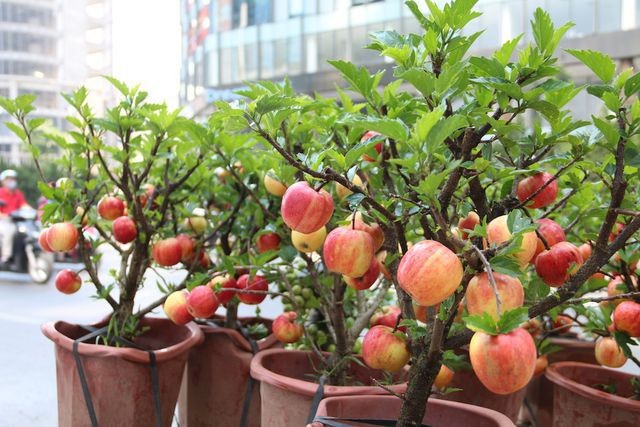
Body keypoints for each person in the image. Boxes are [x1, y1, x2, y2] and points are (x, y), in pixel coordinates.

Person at [0, 170, 30, 267]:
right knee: (9, 231)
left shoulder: (18, 193)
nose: (11, 181)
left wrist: (32, 211)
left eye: (13, 179)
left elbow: (24, 205)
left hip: (16, 221)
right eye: (9, 179)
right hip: (4, 221)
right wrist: (5, 216)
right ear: (3, 181)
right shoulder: (1, 193)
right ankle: (6, 256)